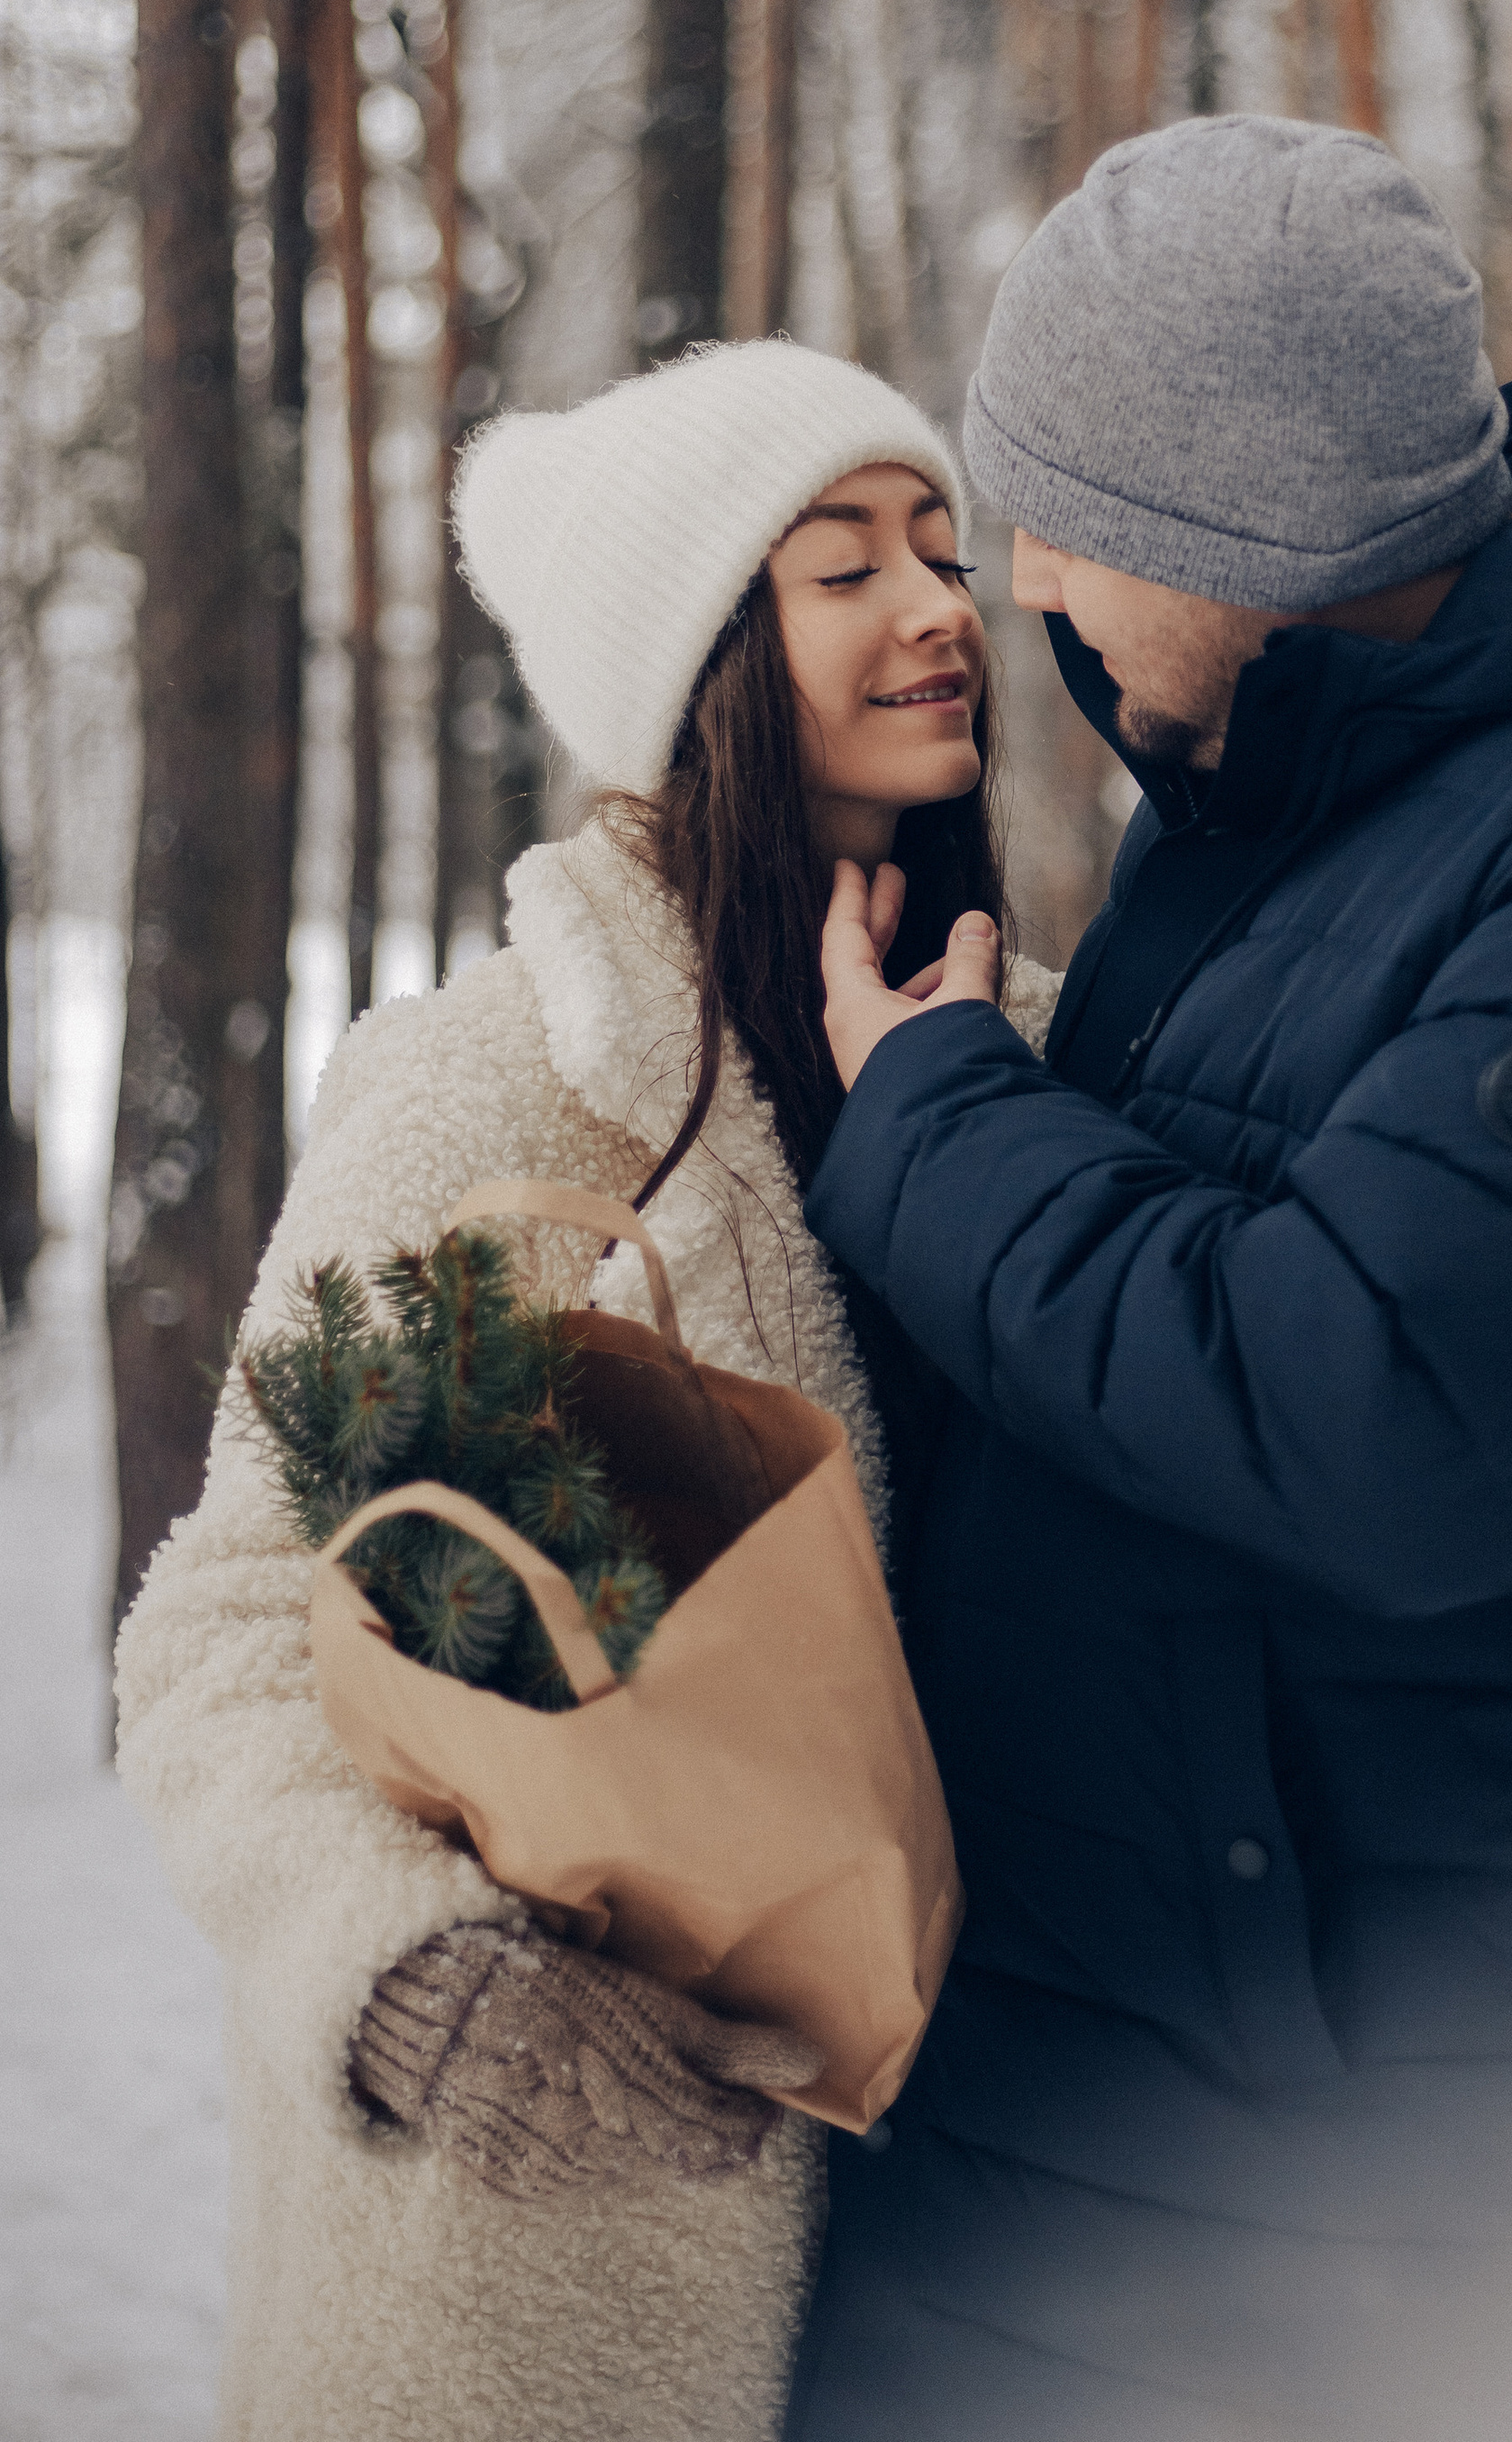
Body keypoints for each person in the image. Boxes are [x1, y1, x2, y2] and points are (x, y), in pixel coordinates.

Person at [791, 117, 1512, 2442]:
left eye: (1062, 515)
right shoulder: (1308, 787)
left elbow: (1376, 1407)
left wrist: (930, 1118)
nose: (1020, 583)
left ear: (1243, 531)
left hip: (1400, 2226)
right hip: (1146, 2138)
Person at [114, 340, 1057, 2442]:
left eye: (941, 545)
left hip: (988, 2253)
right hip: (554, 2282)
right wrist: (417, 1985)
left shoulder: (1045, 1062)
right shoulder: (489, 1091)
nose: (937, 604)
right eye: (843, 566)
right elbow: (230, 1631)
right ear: (704, 663)